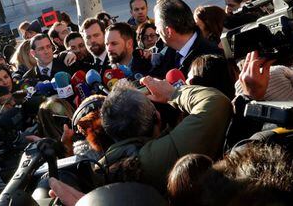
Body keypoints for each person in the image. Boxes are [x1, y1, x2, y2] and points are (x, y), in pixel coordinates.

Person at [99, 79, 231, 190]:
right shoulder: (162, 156)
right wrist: (173, 93)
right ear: (157, 116)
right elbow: (216, 102)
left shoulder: (99, 170)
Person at [152, 0, 223, 77]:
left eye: (157, 26)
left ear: (168, 31)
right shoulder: (168, 53)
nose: (156, 31)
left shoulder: (212, 59)